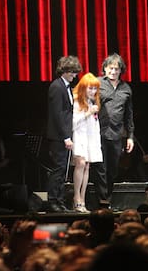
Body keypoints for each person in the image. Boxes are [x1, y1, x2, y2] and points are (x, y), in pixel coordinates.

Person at [95, 53, 134, 208]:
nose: (113, 71)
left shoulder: (126, 89)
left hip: (117, 134)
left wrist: (130, 136)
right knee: (100, 167)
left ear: (120, 70)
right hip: (98, 133)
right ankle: (102, 200)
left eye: (116, 69)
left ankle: (108, 197)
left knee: (113, 169)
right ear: (105, 68)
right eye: (110, 68)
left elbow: (129, 115)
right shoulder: (97, 83)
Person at [46, 55, 82, 212]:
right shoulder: (57, 87)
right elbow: (57, 115)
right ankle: (53, 201)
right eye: (73, 72)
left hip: (65, 135)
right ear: (66, 71)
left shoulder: (65, 87)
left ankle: (59, 201)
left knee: (63, 170)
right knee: (58, 169)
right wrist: (66, 137)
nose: (75, 75)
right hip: (59, 136)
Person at [71, 72, 103, 213]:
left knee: (87, 166)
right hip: (78, 137)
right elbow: (72, 123)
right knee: (81, 163)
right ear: (84, 87)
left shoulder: (92, 102)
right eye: (90, 88)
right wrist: (88, 113)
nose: (93, 91)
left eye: (95, 88)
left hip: (90, 139)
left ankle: (82, 199)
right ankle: (76, 197)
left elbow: (94, 125)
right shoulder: (76, 101)